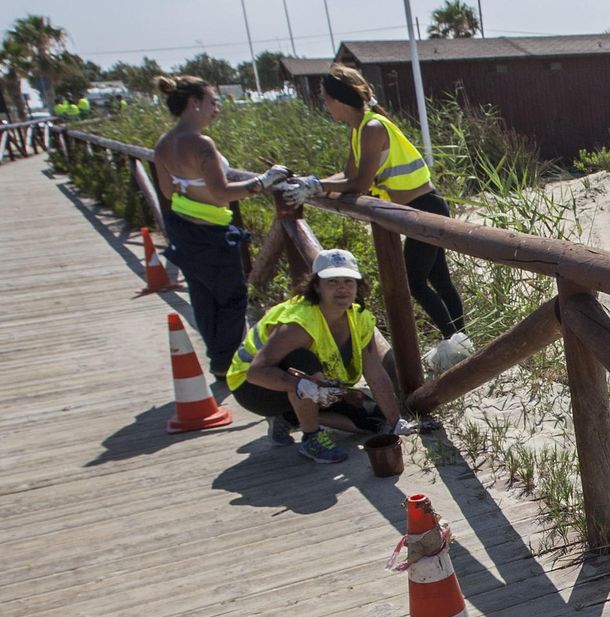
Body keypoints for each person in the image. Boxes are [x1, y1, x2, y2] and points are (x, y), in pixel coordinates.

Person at [281, 64, 468, 346]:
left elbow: (358, 184)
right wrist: (312, 184)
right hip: (418, 208)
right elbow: (346, 175)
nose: (325, 106)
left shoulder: (371, 127)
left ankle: (454, 341)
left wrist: (317, 186)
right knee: (437, 276)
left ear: (339, 99)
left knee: (416, 281)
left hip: (425, 208)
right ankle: (462, 340)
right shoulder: (359, 129)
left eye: (325, 99)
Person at [152, 75, 289, 379]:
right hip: (211, 231)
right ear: (194, 103)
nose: (216, 109)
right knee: (231, 297)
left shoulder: (163, 144)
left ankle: (218, 360)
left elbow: (167, 192)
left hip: (182, 228)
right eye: (212, 102)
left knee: (203, 297)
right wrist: (263, 182)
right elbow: (221, 192)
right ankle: (229, 363)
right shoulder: (201, 143)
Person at [226, 248, 415, 463]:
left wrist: (395, 420)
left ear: (358, 286)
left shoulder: (360, 317)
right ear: (316, 286)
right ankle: (311, 438)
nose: (342, 288)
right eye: (332, 282)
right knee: (302, 359)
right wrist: (300, 386)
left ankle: (289, 417)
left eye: (348, 281)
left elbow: (375, 373)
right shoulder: (300, 321)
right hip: (253, 388)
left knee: (372, 420)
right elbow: (256, 372)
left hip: (308, 382)